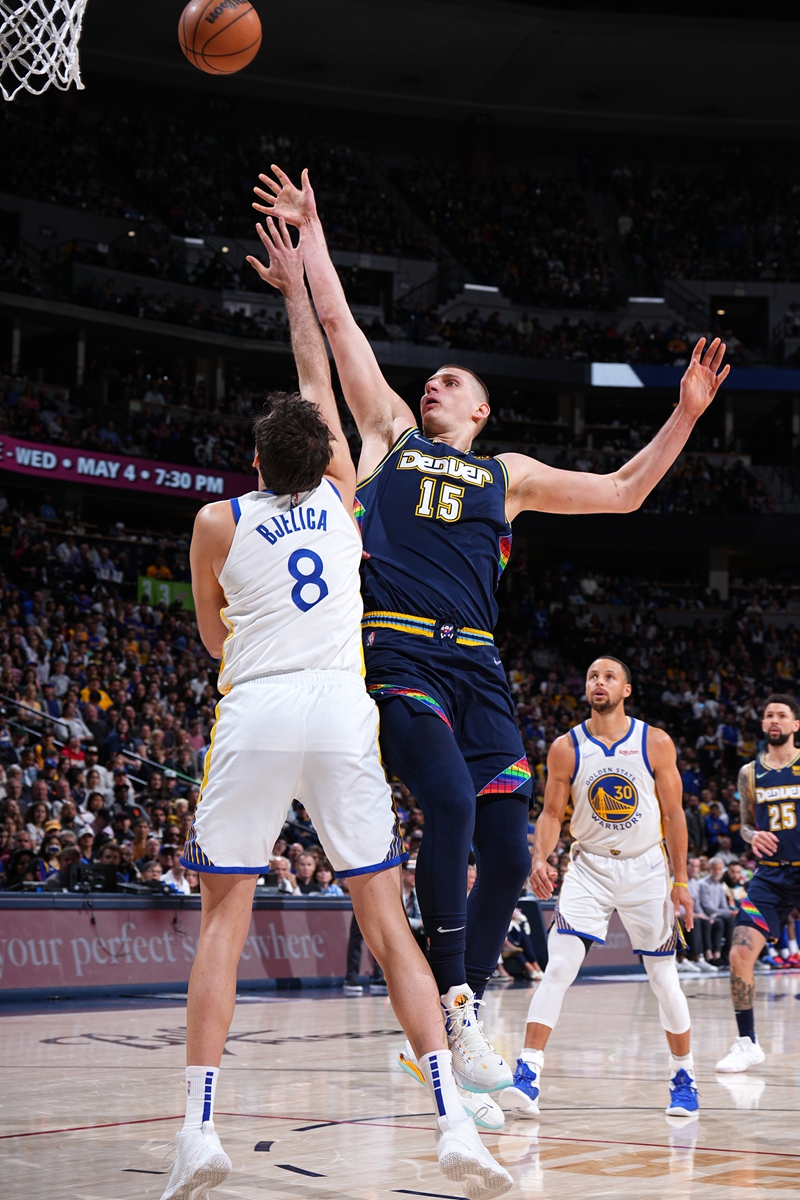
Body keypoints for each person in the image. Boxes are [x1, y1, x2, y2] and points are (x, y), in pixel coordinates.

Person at [254, 164, 729, 1089]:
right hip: (398, 653)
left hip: (479, 670)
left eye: (455, 379)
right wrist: (312, 232)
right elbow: (341, 329)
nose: (435, 378)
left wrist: (682, 416)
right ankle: (455, 1004)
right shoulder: (389, 433)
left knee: (512, 848)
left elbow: (626, 493)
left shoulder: (506, 474)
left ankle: (460, 1007)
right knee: (455, 807)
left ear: (480, 411)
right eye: (433, 374)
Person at [159, 216, 511, 1200]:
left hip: (260, 708)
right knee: (388, 925)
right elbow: (317, 379)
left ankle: (198, 1133)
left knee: (222, 920)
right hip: (343, 709)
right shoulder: (344, 498)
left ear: (253, 460)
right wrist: (293, 292)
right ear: (320, 461)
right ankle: (449, 1121)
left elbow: (212, 639)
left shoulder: (214, 521)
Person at [498, 657, 698, 1120]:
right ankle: (528, 1075)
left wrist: (681, 880)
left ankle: (683, 1076)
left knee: (663, 980)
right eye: (592, 676)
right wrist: (540, 857)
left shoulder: (655, 742)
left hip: (647, 868)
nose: (599, 682)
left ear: (626, 689)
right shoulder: (567, 746)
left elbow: (674, 816)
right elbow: (550, 814)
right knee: (559, 966)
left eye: (609, 677)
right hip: (589, 867)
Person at [716, 694, 800, 1073]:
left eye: (782, 715)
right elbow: (747, 822)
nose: (775, 720)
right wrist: (751, 837)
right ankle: (747, 1042)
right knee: (739, 953)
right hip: (770, 875)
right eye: (769, 715)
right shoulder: (750, 772)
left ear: (795, 725)